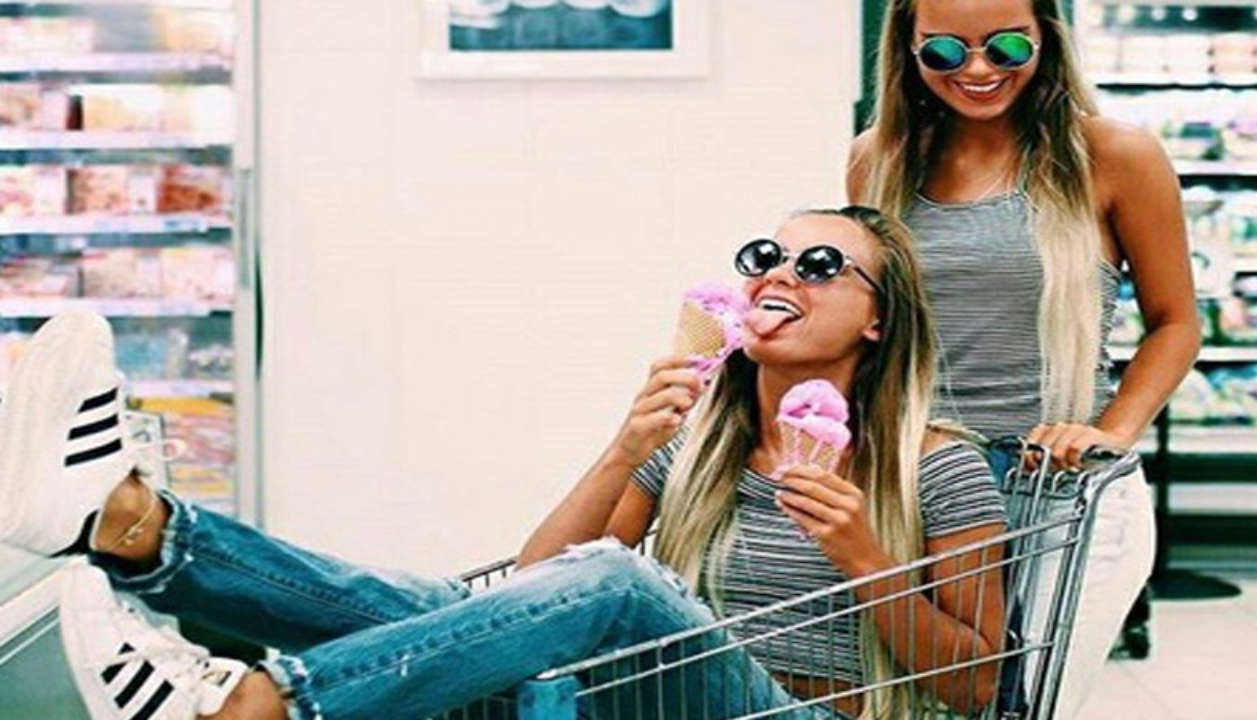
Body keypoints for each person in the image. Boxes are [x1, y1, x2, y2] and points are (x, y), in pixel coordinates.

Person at [3, 207, 1007, 720]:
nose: (781, 274)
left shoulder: (936, 467)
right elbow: (538, 589)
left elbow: (980, 687)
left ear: (877, 319)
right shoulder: (702, 442)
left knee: (620, 585)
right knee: (466, 609)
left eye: (820, 265)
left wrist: (863, 555)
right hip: (661, 703)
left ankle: (260, 703)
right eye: (764, 257)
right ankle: (134, 527)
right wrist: (627, 446)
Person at [845, 1, 1200, 716]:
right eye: (945, 52)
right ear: (908, 50)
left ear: (1047, 38)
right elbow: (876, 325)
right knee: (919, 703)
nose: (978, 69)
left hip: (1057, 490)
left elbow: (1175, 323)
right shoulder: (878, 159)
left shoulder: (1115, 155)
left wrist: (1110, 431)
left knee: (1023, 704)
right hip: (923, 487)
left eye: (1006, 46)